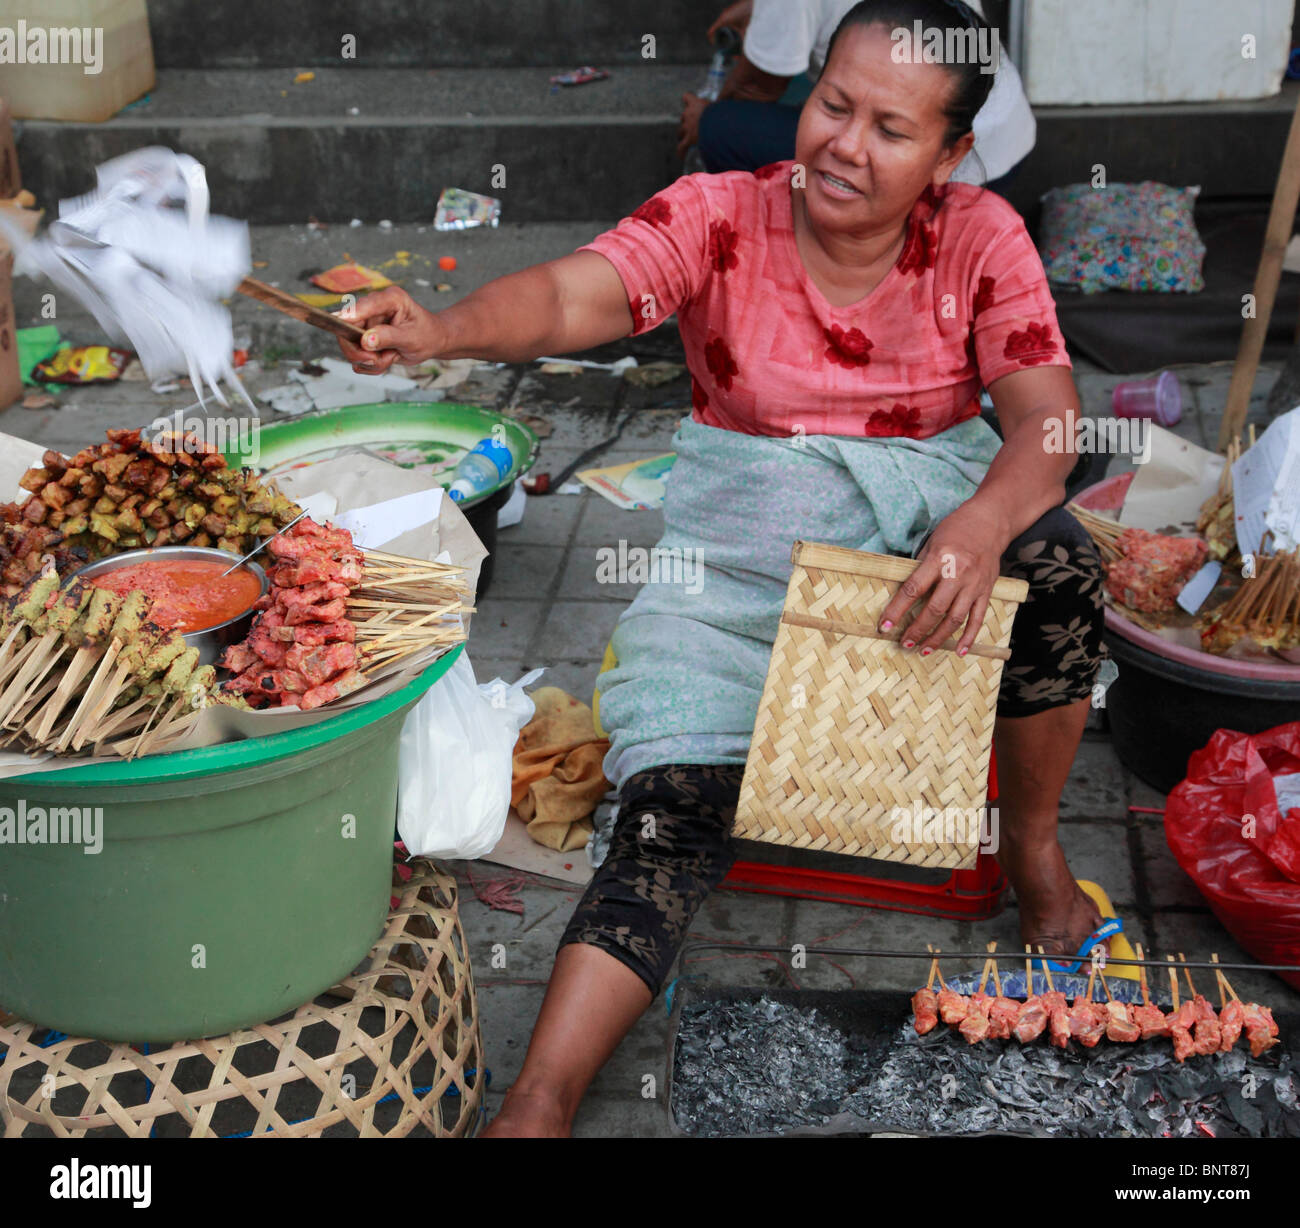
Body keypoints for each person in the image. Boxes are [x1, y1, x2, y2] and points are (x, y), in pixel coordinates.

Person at [340, 0, 1104, 1137]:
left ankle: (1034, 855)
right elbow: (567, 296)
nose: (844, 144)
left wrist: (976, 526)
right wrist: (443, 327)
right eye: (832, 105)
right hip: (739, 580)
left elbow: (1046, 423)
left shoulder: (980, 237)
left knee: (1058, 558)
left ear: (950, 156)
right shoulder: (718, 216)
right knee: (665, 816)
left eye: (890, 129)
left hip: (916, 565)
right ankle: (542, 1096)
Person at [680, 0, 1035, 192]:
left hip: (946, 175)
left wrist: (707, 115)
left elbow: (756, 88)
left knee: (720, 127)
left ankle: (783, 251)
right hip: (1008, 137)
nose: (847, 146)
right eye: (834, 106)